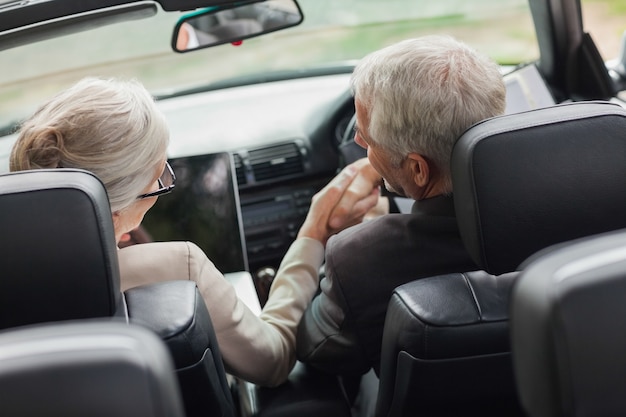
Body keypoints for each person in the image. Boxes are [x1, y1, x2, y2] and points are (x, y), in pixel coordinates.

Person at [9, 76, 382, 386]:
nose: (164, 183)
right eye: (160, 178)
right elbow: (272, 360)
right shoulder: (177, 266)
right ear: (118, 207)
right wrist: (314, 234)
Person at [296, 35, 507, 377]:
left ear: (419, 170)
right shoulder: (589, 204)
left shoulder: (362, 257)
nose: (358, 141)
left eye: (367, 137)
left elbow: (315, 349)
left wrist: (329, 238)